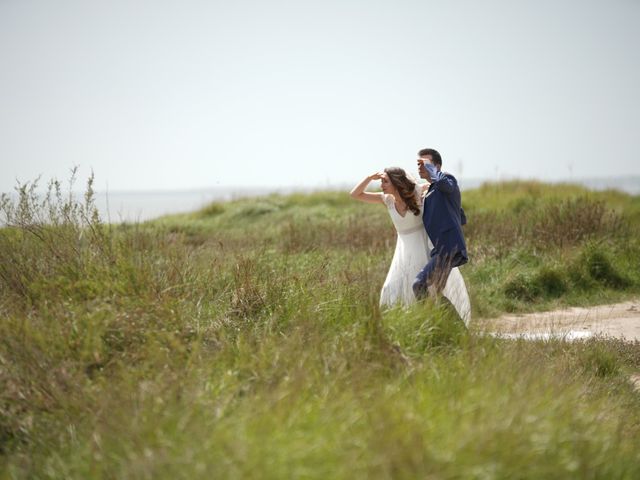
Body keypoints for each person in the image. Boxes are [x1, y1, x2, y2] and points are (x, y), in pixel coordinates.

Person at [350, 167, 471, 325]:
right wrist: (369, 176)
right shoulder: (386, 199)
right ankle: (399, 324)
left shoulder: (418, 191)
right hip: (403, 251)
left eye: (385, 181)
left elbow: (443, 191)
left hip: (423, 246)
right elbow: (355, 194)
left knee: (426, 288)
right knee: (391, 288)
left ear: (396, 182)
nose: (381, 185)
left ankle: (439, 323)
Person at [413, 148, 468, 305]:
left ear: (436, 166)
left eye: (425, 163)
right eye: (418, 163)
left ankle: (428, 319)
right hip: (441, 248)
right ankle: (451, 327)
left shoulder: (447, 180)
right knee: (436, 291)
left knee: (419, 284)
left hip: (448, 248)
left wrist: (431, 168)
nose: (420, 166)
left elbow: (447, 186)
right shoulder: (431, 189)